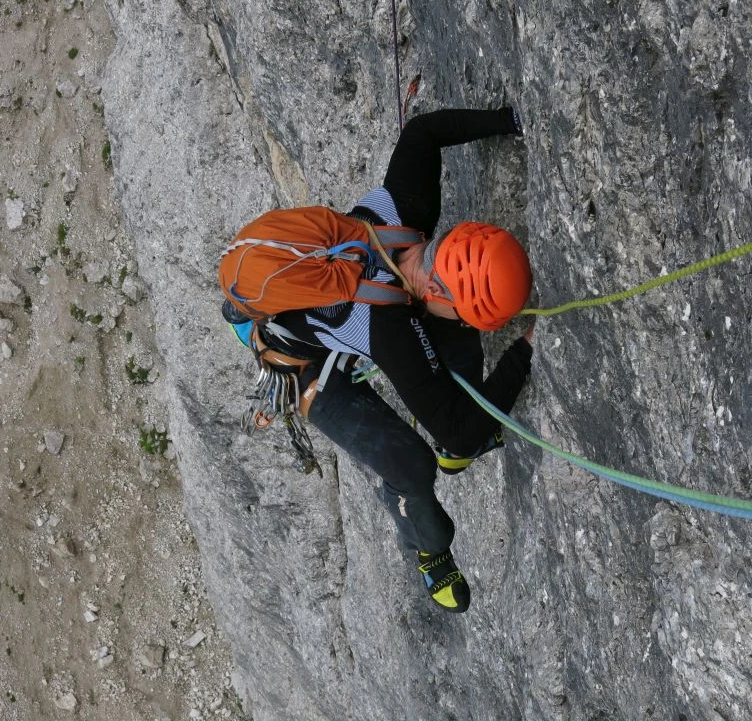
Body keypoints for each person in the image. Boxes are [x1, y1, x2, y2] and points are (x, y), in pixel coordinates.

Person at [225, 108, 534, 613]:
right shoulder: (391, 331)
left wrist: (511, 119)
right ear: (433, 284)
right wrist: (523, 351)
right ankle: (429, 551)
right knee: (414, 466)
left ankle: (454, 432)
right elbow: (459, 429)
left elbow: (423, 133)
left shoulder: (407, 209)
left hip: (348, 308)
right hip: (306, 367)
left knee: (450, 338)